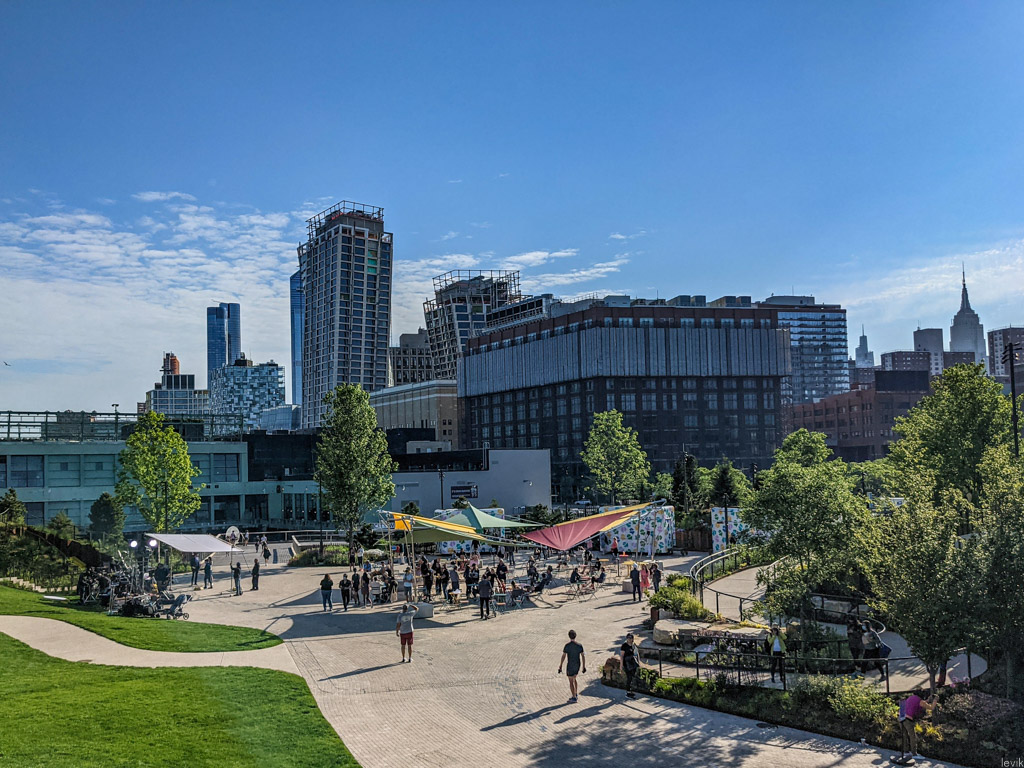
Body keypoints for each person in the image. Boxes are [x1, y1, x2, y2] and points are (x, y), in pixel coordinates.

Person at [897, 692, 927, 762]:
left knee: (904, 735)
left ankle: (906, 751)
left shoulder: (911, 697)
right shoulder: (919, 700)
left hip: (900, 716)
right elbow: (919, 711)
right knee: (912, 736)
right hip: (908, 719)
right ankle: (914, 753)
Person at [558, 629, 587, 702]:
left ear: (569, 636)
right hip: (577, 664)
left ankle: (574, 697)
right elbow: (583, 656)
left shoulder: (567, 646)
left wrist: (560, 665)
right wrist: (583, 666)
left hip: (570, 665)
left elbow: (563, 656)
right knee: (574, 678)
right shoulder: (579, 645)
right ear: (575, 636)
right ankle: (576, 693)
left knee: (571, 681)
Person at [620, 633, 640, 698]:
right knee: (629, 677)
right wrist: (621, 665)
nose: (629, 639)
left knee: (632, 677)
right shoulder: (624, 646)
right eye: (628, 638)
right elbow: (622, 656)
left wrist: (638, 662)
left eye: (630, 638)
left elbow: (637, 654)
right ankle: (628, 692)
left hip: (633, 663)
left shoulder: (633, 645)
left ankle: (631, 690)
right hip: (626, 664)